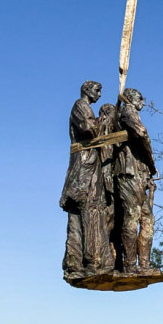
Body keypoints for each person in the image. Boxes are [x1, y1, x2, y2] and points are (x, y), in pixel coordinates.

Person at [60, 81, 114, 277]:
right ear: (86, 90)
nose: (99, 95)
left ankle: (77, 263)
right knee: (90, 213)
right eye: (97, 90)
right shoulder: (80, 106)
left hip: (86, 166)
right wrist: (106, 120)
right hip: (85, 168)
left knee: (81, 216)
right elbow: (89, 129)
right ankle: (91, 263)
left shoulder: (83, 107)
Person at [111, 88, 157, 273]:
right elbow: (141, 133)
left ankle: (144, 264)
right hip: (127, 172)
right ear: (130, 98)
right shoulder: (127, 111)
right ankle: (130, 266)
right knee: (132, 217)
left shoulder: (130, 111)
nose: (143, 102)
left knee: (147, 218)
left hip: (138, 173)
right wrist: (151, 161)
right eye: (140, 98)